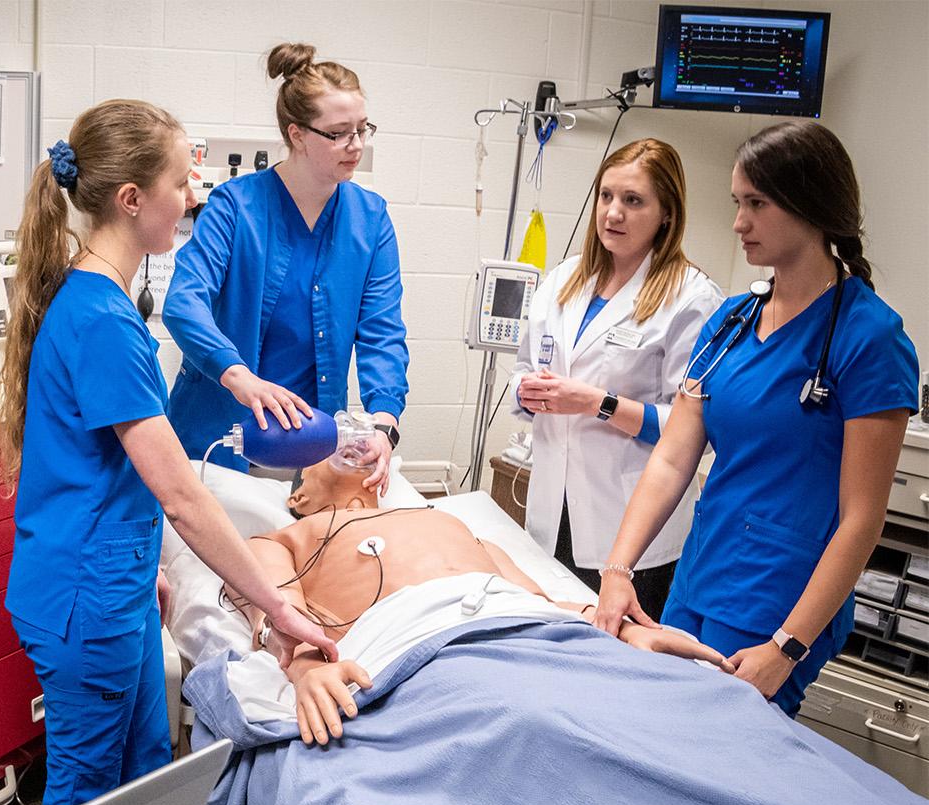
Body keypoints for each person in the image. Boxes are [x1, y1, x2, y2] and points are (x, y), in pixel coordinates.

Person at [0, 98, 342, 805]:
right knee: (83, 788)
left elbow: (92, 474)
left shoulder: (91, 299)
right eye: (183, 176)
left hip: (101, 582)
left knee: (152, 761)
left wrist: (141, 564)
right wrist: (278, 609)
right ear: (128, 200)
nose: (196, 190)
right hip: (82, 599)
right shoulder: (101, 319)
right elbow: (182, 496)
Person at [593, 121, 918, 717]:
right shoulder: (733, 321)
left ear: (811, 206)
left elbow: (862, 518)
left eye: (756, 205)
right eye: (738, 203)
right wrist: (619, 568)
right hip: (700, 577)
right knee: (657, 735)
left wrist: (787, 647)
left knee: (711, 761)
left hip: (779, 603)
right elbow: (672, 457)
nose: (738, 222)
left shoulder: (869, 338)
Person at [229, 453, 728, 744]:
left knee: (658, 726)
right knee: (533, 730)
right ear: (298, 496)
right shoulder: (290, 534)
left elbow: (538, 600)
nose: (346, 446)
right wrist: (306, 671)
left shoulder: (447, 520)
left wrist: (623, 630)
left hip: (523, 626)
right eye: (326, 451)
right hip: (419, 643)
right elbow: (278, 614)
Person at [163, 42, 408, 494]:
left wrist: (383, 423)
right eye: (338, 133)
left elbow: (382, 334)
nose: (356, 145)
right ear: (297, 134)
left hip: (310, 449)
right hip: (218, 445)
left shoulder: (370, 220)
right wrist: (240, 379)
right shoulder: (235, 207)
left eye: (362, 129)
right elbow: (184, 303)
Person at [505, 139, 723, 618]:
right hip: (550, 511)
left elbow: (695, 433)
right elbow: (524, 368)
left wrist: (597, 403)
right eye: (606, 196)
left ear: (667, 212)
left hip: (631, 531)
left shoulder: (691, 299)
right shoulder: (563, 280)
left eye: (633, 201)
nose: (613, 213)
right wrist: (527, 392)